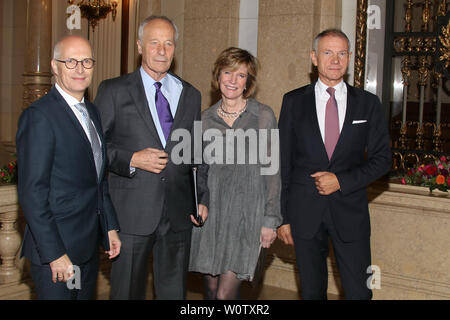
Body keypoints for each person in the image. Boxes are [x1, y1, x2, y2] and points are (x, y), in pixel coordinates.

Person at [94, 16, 208, 300]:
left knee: (173, 294)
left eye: (168, 43)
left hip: (179, 214)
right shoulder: (114, 90)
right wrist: (132, 159)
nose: (162, 50)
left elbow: (197, 153)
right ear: (139, 46)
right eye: (154, 43)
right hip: (131, 214)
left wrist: (201, 197)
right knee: (126, 293)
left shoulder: (190, 94)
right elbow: (94, 148)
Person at [277, 29, 391, 300]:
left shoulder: (367, 104)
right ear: (314, 58)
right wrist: (282, 218)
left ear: (350, 58)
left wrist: (341, 180)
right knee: (312, 292)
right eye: (328, 53)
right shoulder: (293, 102)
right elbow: (281, 163)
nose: (335, 60)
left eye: (341, 53)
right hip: (304, 213)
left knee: (359, 293)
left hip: (350, 214)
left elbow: (383, 159)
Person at [16, 35, 121, 300]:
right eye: (71, 61)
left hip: (86, 248)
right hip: (57, 253)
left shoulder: (92, 112)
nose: (80, 69)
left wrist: (109, 226)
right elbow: (32, 194)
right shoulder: (40, 116)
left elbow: (99, 181)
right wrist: (55, 254)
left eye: (86, 61)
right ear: (54, 66)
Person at [189, 47, 282, 300]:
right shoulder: (204, 119)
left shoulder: (263, 116)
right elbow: (199, 171)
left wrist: (270, 220)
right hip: (211, 216)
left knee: (224, 295)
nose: (232, 80)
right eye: (228, 72)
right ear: (218, 76)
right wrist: (198, 203)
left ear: (248, 82)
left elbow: (272, 171)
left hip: (247, 216)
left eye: (240, 75)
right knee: (209, 290)